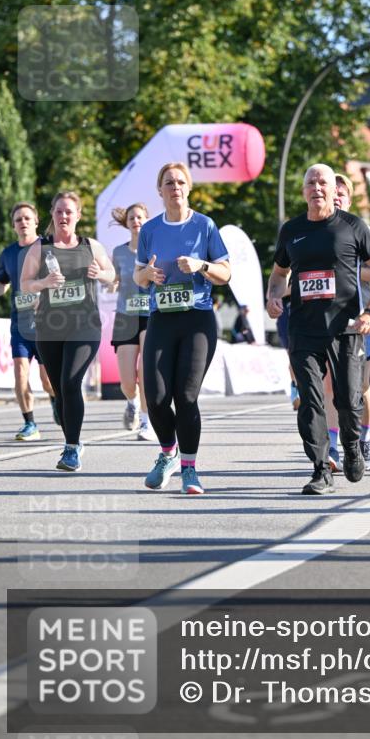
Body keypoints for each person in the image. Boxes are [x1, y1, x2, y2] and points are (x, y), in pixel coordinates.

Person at [266, 163, 370, 495]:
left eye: (323, 182)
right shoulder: (291, 230)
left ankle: (351, 445)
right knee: (311, 401)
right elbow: (279, 273)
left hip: (346, 329)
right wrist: (273, 295)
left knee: (348, 399)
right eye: (310, 183)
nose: (316, 188)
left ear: (335, 190)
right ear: (303, 191)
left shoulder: (353, 226)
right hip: (304, 329)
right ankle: (321, 468)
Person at [134, 162, 230, 495]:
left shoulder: (204, 225)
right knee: (157, 399)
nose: (174, 187)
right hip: (162, 317)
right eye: (168, 182)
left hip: (197, 318)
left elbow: (226, 272)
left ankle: (190, 468)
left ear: (188, 188)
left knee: (186, 396)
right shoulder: (149, 230)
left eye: (180, 182)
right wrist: (148, 275)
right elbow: (137, 276)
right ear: (159, 191)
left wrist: (202, 266)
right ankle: (168, 452)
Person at [20, 191, 115, 472]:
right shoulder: (40, 247)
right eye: (59, 211)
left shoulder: (91, 246)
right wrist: (44, 282)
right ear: (52, 214)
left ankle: (71, 448)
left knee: (71, 382)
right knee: (61, 390)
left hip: (85, 325)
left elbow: (113, 277)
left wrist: (102, 274)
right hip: (49, 328)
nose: (63, 216)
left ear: (78, 216)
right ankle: (71, 439)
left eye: (69, 212)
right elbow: (25, 284)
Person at [323, 173, 370, 471]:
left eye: (341, 194)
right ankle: (332, 445)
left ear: (349, 199)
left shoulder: (358, 227)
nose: (336, 198)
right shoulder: (319, 227)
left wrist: (348, 270)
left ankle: (365, 438)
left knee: (360, 387)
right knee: (330, 385)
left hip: (361, 319)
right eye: (333, 193)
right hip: (328, 319)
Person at [0, 202, 58, 440]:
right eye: (18, 219)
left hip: (47, 324)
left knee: (47, 379)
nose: (23, 222)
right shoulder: (8, 254)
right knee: (20, 372)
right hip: (19, 325)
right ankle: (30, 423)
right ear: (14, 225)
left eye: (28, 218)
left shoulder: (48, 248)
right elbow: (1, 284)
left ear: (36, 222)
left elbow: (61, 279)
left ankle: (55, 398)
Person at [109, 204, 155, 441]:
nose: (136, 220)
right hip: (125, 316)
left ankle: (146, 423)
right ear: (126, 223)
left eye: (139, 217)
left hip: (150, 314)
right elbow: (115, 278)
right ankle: (132, 402)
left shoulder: (156, 248)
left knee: (145, 370)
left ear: (146, 220)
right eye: (131, 217)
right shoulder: (118, 252)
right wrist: (110, 283)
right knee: (128, 380)